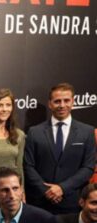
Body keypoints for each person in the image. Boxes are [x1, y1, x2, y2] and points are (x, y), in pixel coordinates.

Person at [24, 82, 95, 214]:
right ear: (50, 104)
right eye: (57, 101)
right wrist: (45, 190)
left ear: (73, 102)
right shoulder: (34, 132)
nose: (62, 105)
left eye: (66, 100)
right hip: (39, 202)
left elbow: (88, 167)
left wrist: (62, 188)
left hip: (71, 201)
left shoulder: (87, 131)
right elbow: (28, 166)